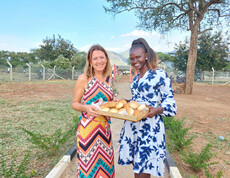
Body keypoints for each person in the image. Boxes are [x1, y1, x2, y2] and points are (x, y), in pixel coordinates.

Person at [118, 38, 177, 178]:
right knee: (137, 170)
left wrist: (157, 110)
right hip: (133, 128)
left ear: (146, 55)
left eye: (137, 57)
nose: (134, 61)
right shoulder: (136, 77)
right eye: (131, 58)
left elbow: (171, 103)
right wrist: (126, 102)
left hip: (149, 129)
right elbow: (137, 102)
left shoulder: (159, 74)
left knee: (143, 173)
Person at [72, 44, 115, 178]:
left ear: (106, 59)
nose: (99, 61)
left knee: (106, 169)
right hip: (88, 132)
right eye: (95, 58)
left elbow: (109, 101)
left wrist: (116, 103)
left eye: (102, 57)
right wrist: (86, 107)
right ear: (90, 61)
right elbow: (74, 104)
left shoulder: (110, 79)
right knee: (89, 171)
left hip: (105, 131)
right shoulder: (84, 78)